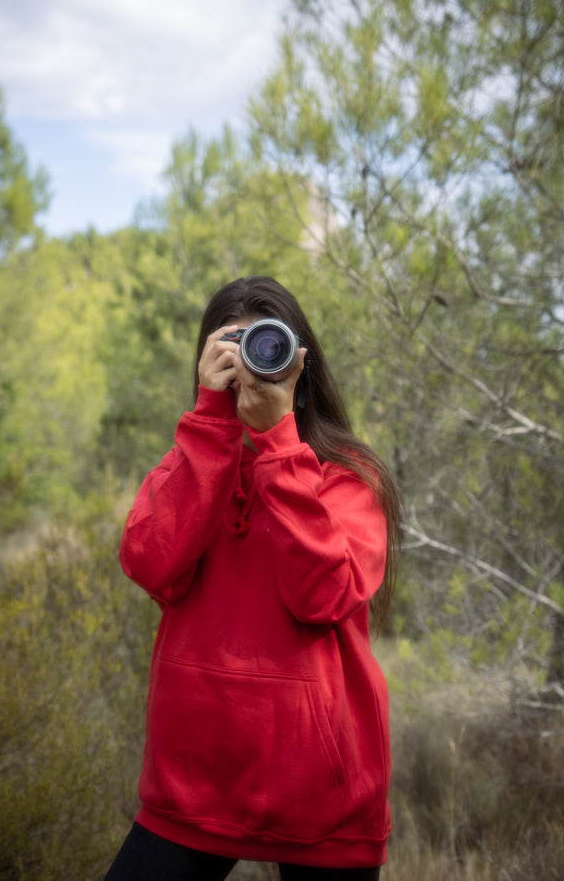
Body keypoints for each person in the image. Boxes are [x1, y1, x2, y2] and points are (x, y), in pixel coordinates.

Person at [104, 276, 401, 881]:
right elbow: (149, 562)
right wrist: (210, 426)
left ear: (301, 361)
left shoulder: (349, 475)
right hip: (192, 780)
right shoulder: (195, 458)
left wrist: (278, 443)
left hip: (322, 791)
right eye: (233, 345)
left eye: (269, 344)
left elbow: (321, 596)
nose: (255, 360)